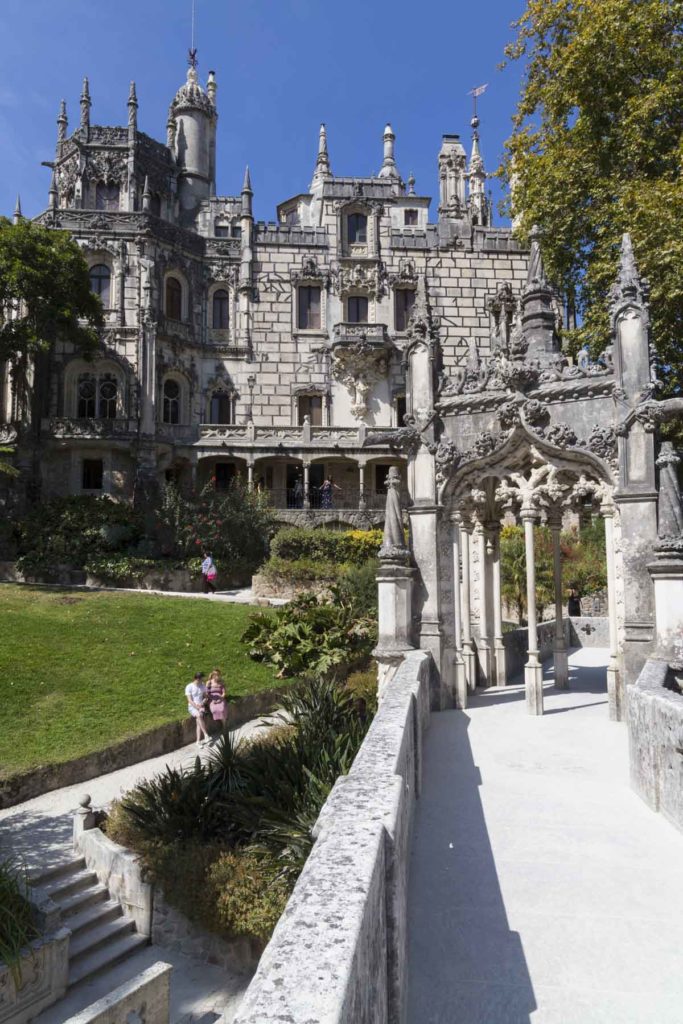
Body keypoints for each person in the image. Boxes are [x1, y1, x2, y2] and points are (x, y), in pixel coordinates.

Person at [185, 671, 211, 747]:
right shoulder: (189, 686)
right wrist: (197, 707)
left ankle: (198, 741)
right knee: (199, 716)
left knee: (198, 722)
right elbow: (189, 700)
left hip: (201, 706)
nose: (202, 681)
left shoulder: (202, 685)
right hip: (192, 707)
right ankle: (206, 735)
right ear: (197, 678)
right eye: (201, 679)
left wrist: (202, 703)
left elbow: (206, 697)